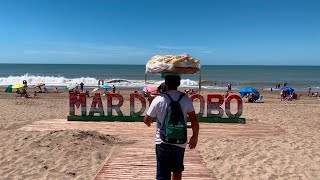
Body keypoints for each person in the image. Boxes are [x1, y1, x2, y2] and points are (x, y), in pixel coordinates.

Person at [144, 75, 199, 180]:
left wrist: (153, 120)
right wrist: (194, 137)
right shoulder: (185, 99)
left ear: (166, 83)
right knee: (177, 171)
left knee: (163, 174)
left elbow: (147, 120)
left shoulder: (159, 99)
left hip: (162, 141)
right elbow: (194, 119)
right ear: (179, 83)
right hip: (180, 141)